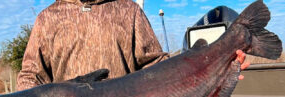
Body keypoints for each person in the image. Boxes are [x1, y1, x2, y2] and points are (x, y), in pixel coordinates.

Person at [17, 0, 248, 91]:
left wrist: (216, 68)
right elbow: (30, 76)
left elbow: (157, 66)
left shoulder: (129, 11)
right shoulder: (48, 19)